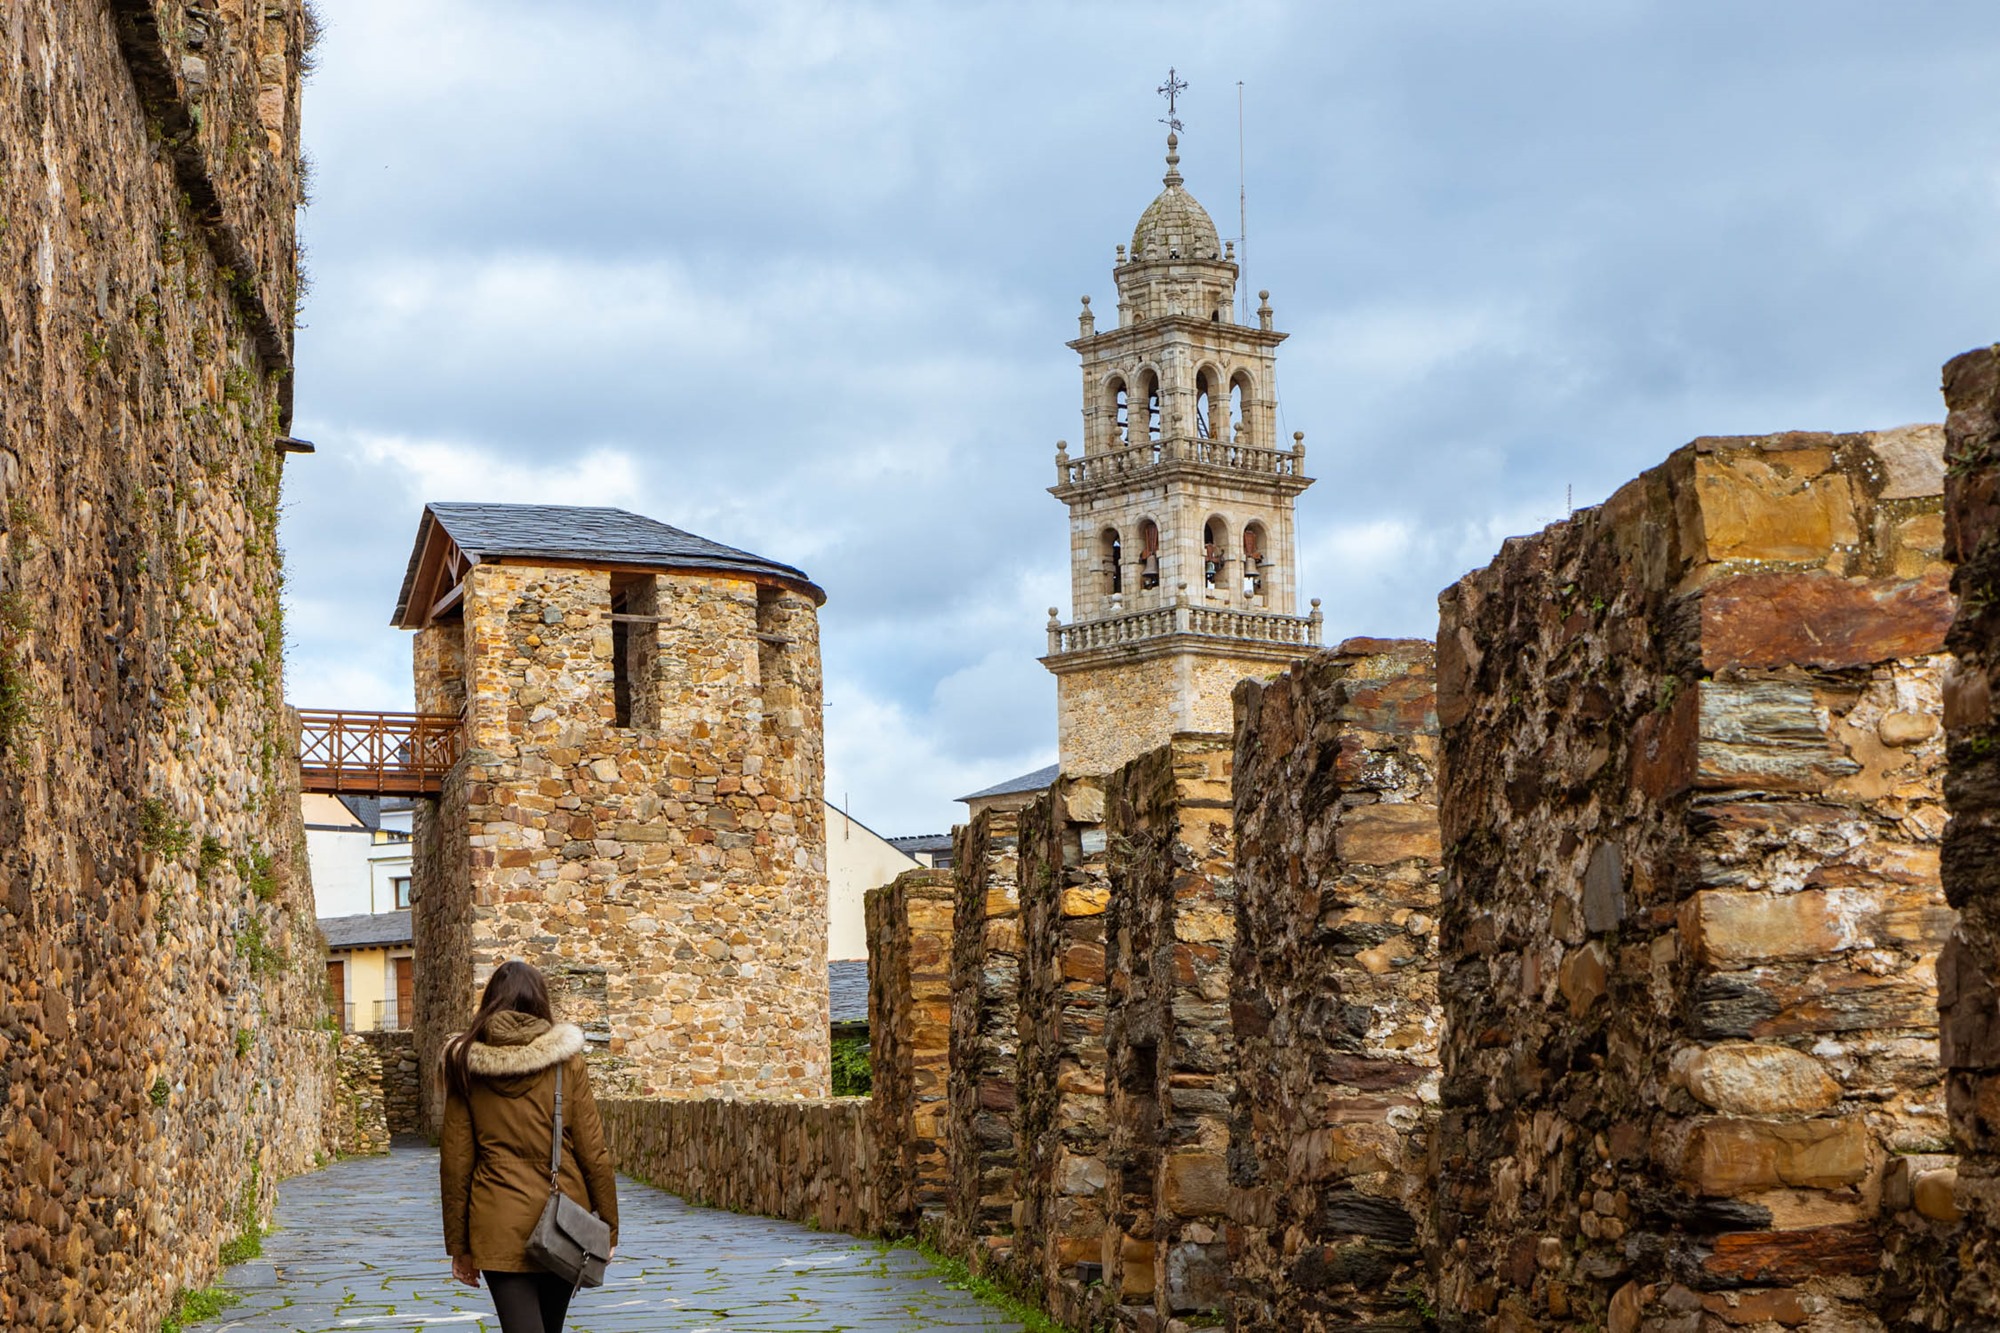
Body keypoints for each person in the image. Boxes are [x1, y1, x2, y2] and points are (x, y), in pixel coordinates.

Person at [439, 960, 619, 1333]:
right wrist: (609, 1228)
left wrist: (460, 1246)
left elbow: (456, 1162)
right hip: (562, 1218)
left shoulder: (465, 1065)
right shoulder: (565, 1064)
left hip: (496, 1220)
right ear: (540, 1002)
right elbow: (594, 1151)